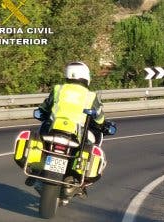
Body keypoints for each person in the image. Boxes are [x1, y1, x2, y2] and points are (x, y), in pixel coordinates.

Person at [26, 62, 115, 193]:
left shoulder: (58, 89)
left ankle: (37, 168)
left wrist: (42, 113)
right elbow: (99, 118)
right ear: (86, 76)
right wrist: (102, 124)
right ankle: (80, 179)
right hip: (76, 133)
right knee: (91, 144)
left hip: (54, 129)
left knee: (42, 133)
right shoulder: (90, 96)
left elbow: (45, 107)